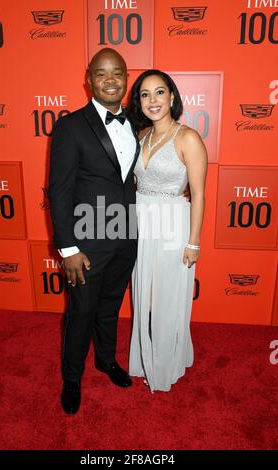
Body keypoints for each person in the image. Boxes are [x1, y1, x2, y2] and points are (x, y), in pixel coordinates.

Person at [48, 48, 140, 415]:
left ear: (126, 77)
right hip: (86, 242)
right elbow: (59, 191)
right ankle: (72, 377)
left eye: (117, 72)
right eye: (101, 73)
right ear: (88, 79)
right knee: (80, 312)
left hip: (126, 238)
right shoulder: (71, 126)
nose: (110, 80)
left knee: (109, 307)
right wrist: (68, 249)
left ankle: (105, 359)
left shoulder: (136, 123)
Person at [127, 70, 208, 393]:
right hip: (141, 224)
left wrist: (194, 242)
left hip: (173, 224)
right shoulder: (141, 136)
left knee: (166, 300)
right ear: (139, 102)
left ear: (172, 97)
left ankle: (163, 366)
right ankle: (147, 357)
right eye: (145, 95)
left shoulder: (188, 137)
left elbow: (199, 194)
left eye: (160, 92)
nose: (153, 100)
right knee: (144, 299)